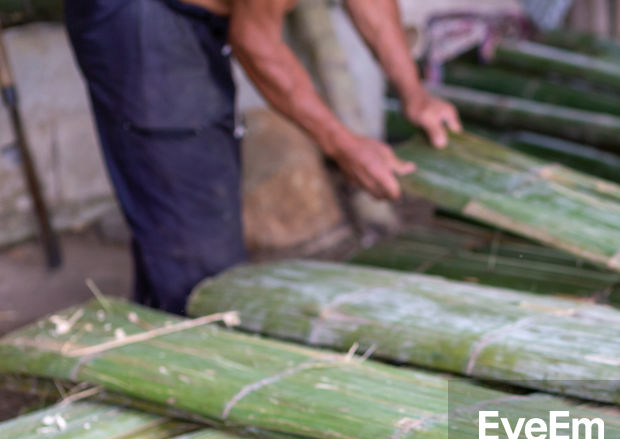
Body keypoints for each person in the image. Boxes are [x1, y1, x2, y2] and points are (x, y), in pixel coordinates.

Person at [65, 0, 460, 314]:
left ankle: (158, 340)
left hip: (193, 17)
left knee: (191, 208)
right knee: (198, 251)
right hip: (142, 19)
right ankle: (185, 369)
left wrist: (414, 93)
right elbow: (255, 40)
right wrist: (342, 145)